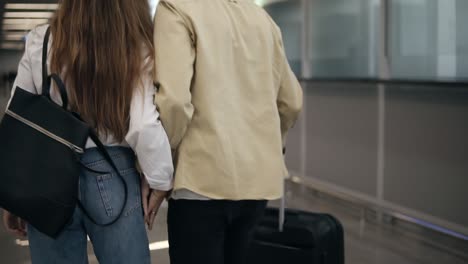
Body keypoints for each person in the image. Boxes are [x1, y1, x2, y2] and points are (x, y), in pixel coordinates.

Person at [2, 0, 173, 263]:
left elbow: (19, 118)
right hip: (113, 173)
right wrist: (160, 182)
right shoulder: (134, 47)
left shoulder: (42, 40)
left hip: (47, 177)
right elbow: (143, 125)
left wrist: (17, 196)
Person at [153, 0, 303, 263]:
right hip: (256, 183)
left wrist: (162, 165)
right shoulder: (262, 20)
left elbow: (174, 101)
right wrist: (272, 145)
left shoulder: (176, 8)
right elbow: (292, 102)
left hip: (200, 181)